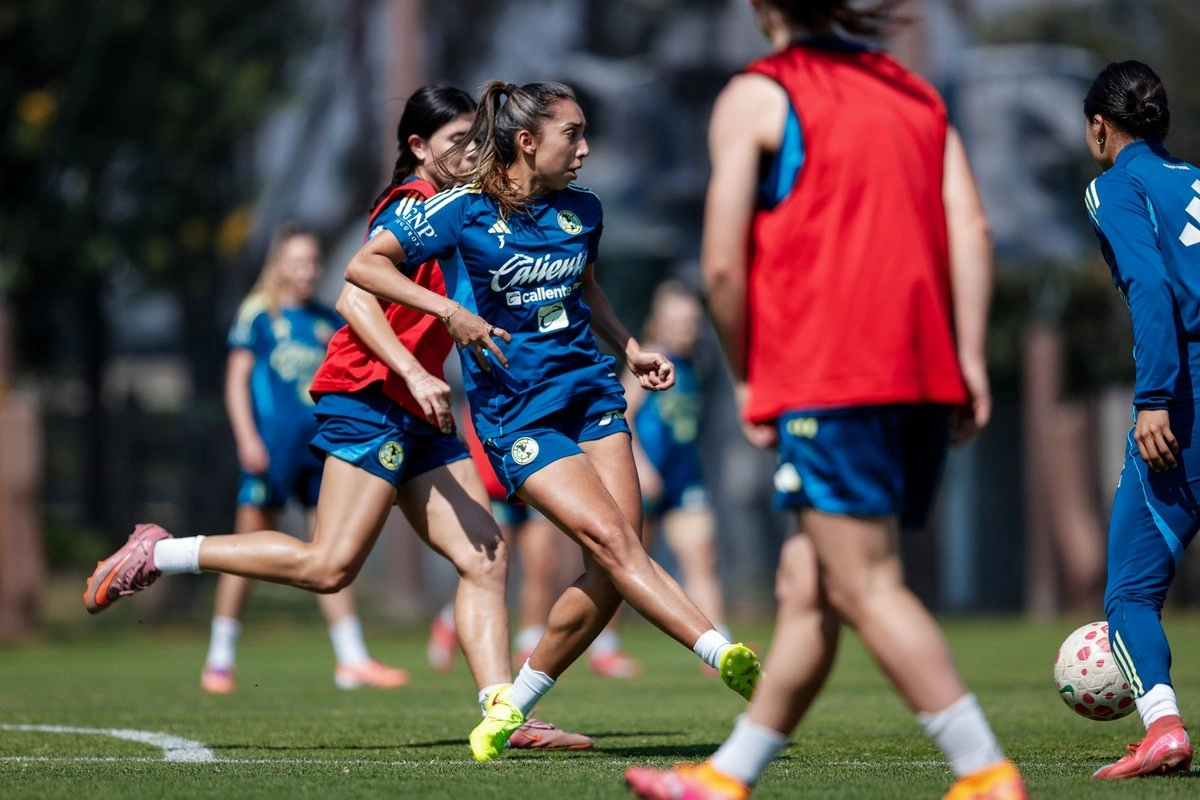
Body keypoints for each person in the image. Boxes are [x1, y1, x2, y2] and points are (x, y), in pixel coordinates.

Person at [84, 83, 590, 756]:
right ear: (417, 147)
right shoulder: (410, 206)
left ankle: (504, 712)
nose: (470, 154)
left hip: (418, 409)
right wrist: (414, 370)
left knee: (485, 557)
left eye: (477, 140)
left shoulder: (462, 210)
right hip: (371, 398)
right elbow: (354, 298)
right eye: (455, 142)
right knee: (328, 567)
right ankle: (160, 552)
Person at [624, 2, 1026, 798]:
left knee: (868, 583)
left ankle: (984, 773)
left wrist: (747, 377)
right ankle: (726, 778)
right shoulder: (916, 93)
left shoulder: (758, 94)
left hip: (831, 379)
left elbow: (722, 266)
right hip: (920, 374)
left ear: (761, 8)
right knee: (807, 588)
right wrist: (969, 359)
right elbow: (970, 229)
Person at [339, 79, 763, 761]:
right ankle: (723, 653)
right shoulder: (459, 210)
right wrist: (447, 312)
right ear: (528, 141)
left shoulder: (584, 210)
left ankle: (513, 708)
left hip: (594, 398)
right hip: (517, 415)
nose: (586, 148)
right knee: (615, 545)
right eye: (574, 133)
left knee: (612, 562)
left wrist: (629, 348)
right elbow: (365, 267)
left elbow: (585, 287)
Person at [200, 222, 408, 695]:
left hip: (320, 451)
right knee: (245, 547)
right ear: (278, 265)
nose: (307, 271)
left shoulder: (324, 319)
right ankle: (220, 656)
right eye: (297, 262)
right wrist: (246, 438)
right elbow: (237, 381)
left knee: (330, 550)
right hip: (271, 452)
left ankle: (352, 658)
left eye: (313, 262)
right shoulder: (258, 315)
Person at [1078, 60, 1196, 780]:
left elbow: (1151, 284)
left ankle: (1162, 728)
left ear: (1100, 126)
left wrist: (1155, 395)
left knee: (1130, 592)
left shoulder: (1114, 185)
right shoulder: (1194, 180)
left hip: (1187, 396)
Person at [612, 279, 730, 677]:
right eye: (678, 320)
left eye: (692, 321)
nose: (687, 328)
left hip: (683, 479)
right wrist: (641, 467)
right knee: (626, 567)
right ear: (659, 322)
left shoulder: (700, 360)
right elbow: (622, 416)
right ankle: (605, 644)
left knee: (702, 556)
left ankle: (720, 646)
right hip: (646, 479)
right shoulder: (651, 361)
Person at [426, 400, 574, 674]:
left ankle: (530, 645)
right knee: (492, 567)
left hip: (534, 472)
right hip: (494, 478)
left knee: (544, 564)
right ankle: (449, 621)